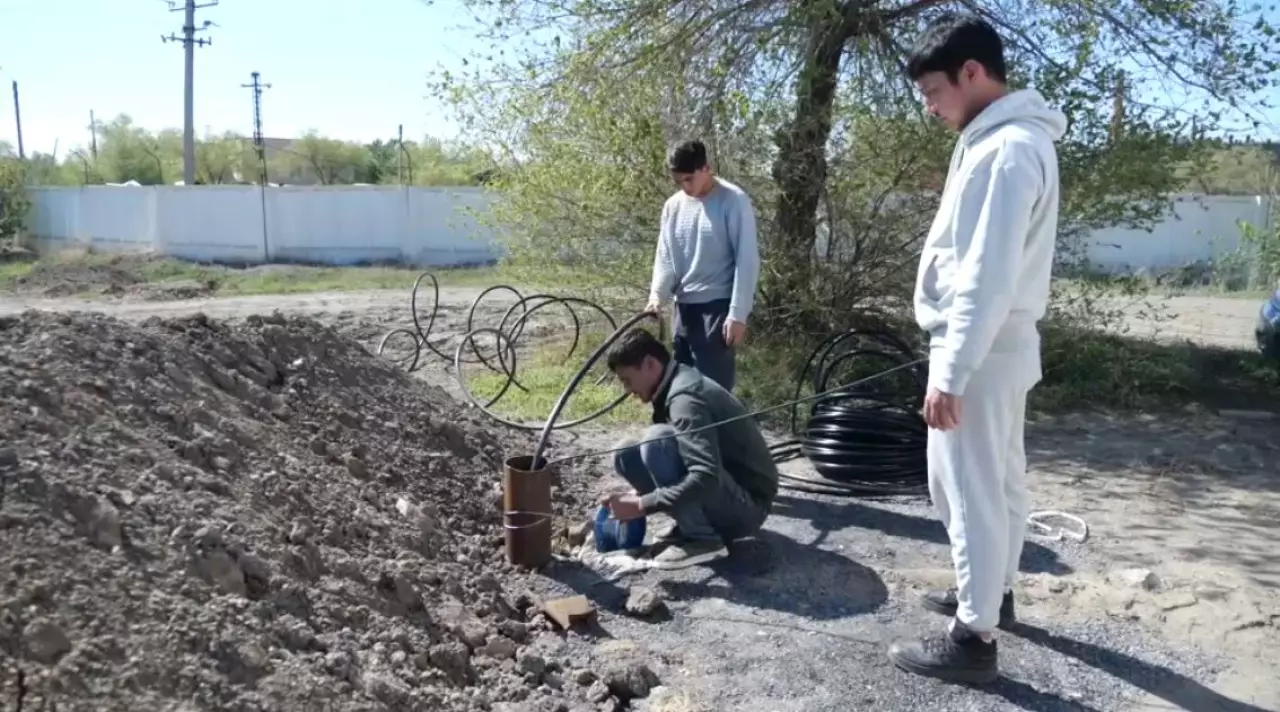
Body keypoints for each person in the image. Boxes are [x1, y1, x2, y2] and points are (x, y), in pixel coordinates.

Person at [885, 14, 1067, 684]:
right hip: (998, 345)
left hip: (981, 350)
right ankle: (993, 592)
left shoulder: (1006, 150)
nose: (929, 107)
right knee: (999, 481)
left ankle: (973, 637)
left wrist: (952, 370)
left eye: (934, 91)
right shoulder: (1003, 140)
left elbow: (985, 275)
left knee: (967, 489)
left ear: (971, 72)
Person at [601, 328, 778, 569]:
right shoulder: (672, 384)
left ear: (650, 364)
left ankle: (703, 540)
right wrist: (635, 498)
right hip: (728, 491)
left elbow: (706, 475)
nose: (627, 390)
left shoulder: (685, 398)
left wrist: (642, 505)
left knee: (657, 441)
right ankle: (690, 525)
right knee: (626, 454)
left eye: (627, 380)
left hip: (749, 508)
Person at [645, 139, 761, 393]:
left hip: (717, 310)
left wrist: (738, 314)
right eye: (679, 181)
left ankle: (723, 421)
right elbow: (665, 256)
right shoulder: (673, 206)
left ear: (706, 169)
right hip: (683, 310)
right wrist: (657, 297)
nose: (685, 186)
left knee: (713, 391)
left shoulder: (733, 200)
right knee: (682, 390)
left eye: (689, 179)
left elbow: (747, 259)